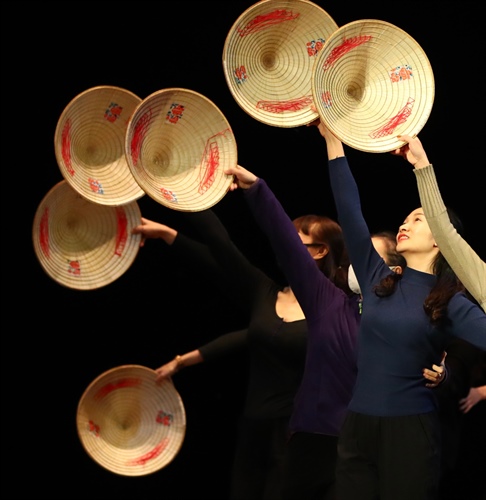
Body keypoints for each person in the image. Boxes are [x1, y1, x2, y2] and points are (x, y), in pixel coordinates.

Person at [306, 118, 486, 500]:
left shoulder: (450, 300)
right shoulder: (378, 277)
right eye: (405, 218)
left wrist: (453, 378)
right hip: (357, 424)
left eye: (418, 219)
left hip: (409, 432)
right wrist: (334, 141)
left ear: (440, 240)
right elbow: (349, 210)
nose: (405, 224)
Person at [393, 134, 486, 312]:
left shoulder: (455, 307)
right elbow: (443, 230)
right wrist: (421, 163)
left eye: (417, 220)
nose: (403, 227)